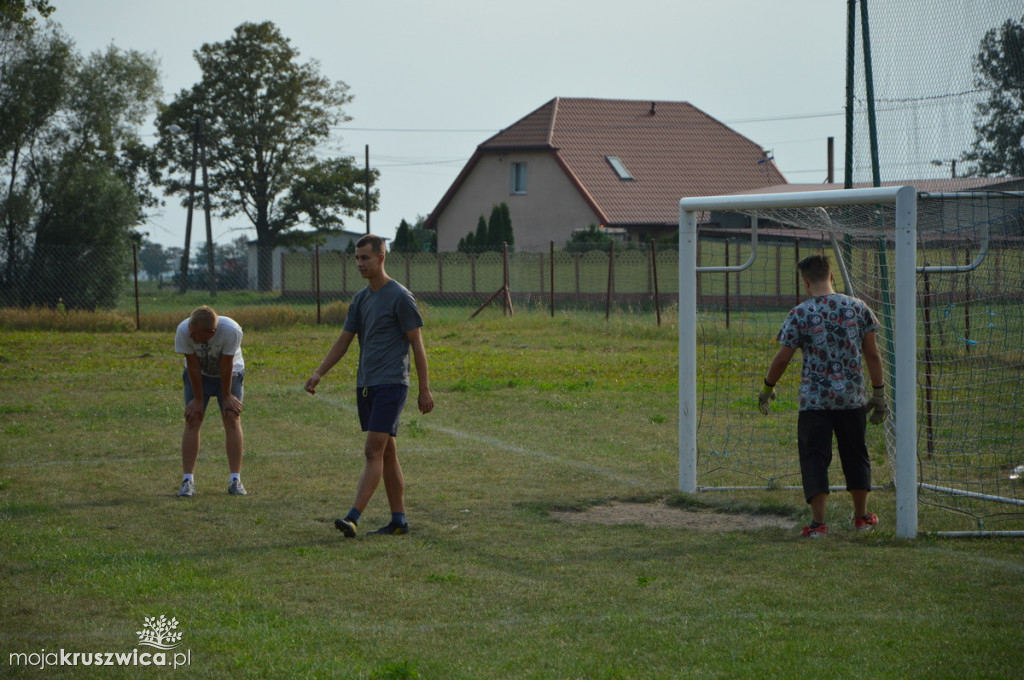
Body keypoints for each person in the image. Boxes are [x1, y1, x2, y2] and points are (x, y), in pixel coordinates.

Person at [304, 234, 434, 537]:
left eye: (366, 257)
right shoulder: (361, 299)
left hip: (391, 384)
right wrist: (319, 372)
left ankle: (353, 517)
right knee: (387, 453)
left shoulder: (400, 296)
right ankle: (398, 520)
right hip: (367, 385)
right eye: (357, 258)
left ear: (381, 258)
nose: (361, 263)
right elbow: (344, 341)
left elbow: (417, 344)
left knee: (372, 450)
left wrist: (424, 388)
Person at [758, 254, 887, 538]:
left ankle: (818, 524)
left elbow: (782, 358)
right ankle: (862, 517)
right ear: (831, 277)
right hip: (852, 400)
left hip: (814, 403)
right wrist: (878, 393)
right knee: (855, 454)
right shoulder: (858, 308)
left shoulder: (800, 314)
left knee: (814, 458)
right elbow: (873, 354)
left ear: (806, 283)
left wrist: (768, 387)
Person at [173, 305, 247, 497]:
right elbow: (193, 365)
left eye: (195, 333)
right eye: (190, 329)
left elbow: (226, 364)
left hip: (231, 373)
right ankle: (187, 481)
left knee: (231, 417)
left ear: (211, 333)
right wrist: (197, 399)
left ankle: (235, 480)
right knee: (193, 417)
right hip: (199, 375)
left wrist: (226, 396)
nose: (190, 335)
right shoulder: (183, 330)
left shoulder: (231, 331)